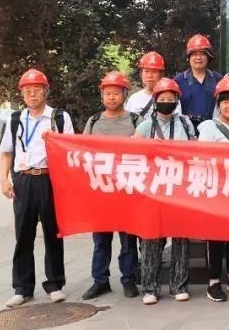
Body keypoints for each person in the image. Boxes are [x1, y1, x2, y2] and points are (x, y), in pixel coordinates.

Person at [0, 69, 74, 308]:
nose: (32, 94)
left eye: (36, 89)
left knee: (53, 233)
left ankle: (55, 284)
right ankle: (22, 288)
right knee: (23, 234)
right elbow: (6, 152)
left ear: (45, 91)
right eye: (27, 90)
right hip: (23, 180)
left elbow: (70, 150)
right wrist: (4, 180)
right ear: (22, 94)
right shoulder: (15, 120)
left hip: (50, 179)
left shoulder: (59, 118)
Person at [134, 78, 197, 304]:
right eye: (163, 98)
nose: (167, 102)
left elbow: (195, 151)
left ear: (177, 101)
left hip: (180, 189)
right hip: (153, 191)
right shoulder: (145, 126)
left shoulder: (186, 124)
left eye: (171, 98)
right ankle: (149, 288)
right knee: (151, 239)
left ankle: (179, 285)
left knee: (181, 239)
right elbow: (134, 154)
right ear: (155, 100)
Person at [81, 71, 140, 301]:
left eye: (116, 93)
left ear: (124, 95)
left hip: (127, 189)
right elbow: (81, 151)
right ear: (102, 96)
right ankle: (100, 281)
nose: (112, 97)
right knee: (101, 240)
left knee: (128, 240)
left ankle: (128, 279)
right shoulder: (94, 121)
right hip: (101, 190)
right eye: (107, 93)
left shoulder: (135, 120)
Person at [196, 75, 229, 302]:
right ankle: (213, 282)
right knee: (216, 238)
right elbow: (203, 158)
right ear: (218, 105)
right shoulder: (209, 128)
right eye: (225, 101)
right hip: (216, 191)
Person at [174, 34, 222, 130]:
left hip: (213, 132)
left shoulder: (218, 79)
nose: (198, 58)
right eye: (194, 54)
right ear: (188, 57)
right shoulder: (178, 81)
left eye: (202, 54)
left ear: (208, 57)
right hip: (186, 133)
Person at [126, 51, 181, 118]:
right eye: (146, 71)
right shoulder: (134, 99)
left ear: (161, 74)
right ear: (141, 73)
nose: (150, 76)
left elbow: (177, 122)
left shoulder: (171, 99)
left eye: (154, 72)